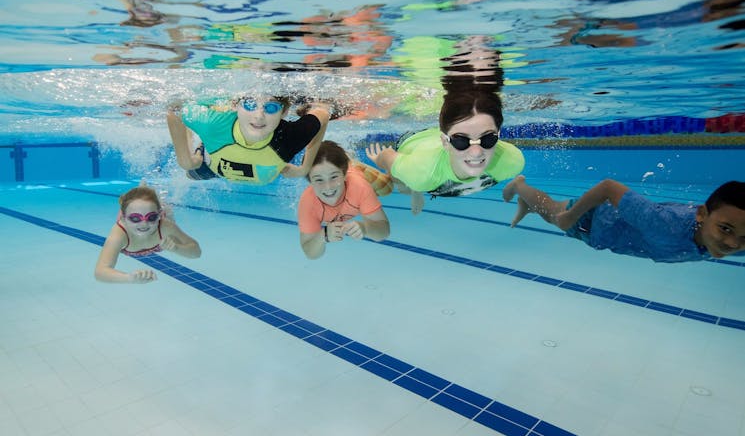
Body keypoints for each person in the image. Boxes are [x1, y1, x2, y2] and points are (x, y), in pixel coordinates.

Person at [502, 176, 745, 263]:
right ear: (702, 215)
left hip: (605, 224)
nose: (733, 244)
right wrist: (570, 217)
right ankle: (519, 186)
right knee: (552, 212)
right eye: (725, 229)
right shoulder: (661, 222)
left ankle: (526, 203)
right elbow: (609, 187)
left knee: (549, 213)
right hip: (591, 219)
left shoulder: (737, 240)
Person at [366, 82, 525, 214]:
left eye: (488, 138)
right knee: (404, 184)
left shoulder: (511, 161)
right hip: (413, 139)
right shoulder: (421, 172)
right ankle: (414, 190)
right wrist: (380, 160)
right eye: (461, 141)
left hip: (442, 133)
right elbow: (387, 156)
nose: (476, 153)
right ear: (445, 142)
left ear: (498, 135)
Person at [167, 94, 329, 184]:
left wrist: (304, 168)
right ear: (236, 106)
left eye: (271, 107)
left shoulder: (289, 137)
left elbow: (322, 114)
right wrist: (185, 161)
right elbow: (175, 111)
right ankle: (197, 138)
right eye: (250, 104)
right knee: (189, 174)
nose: (259, 116)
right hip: (211, 165)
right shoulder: (213, 124)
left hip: (250, 170)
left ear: (284, 112)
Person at [298, 140, 391, 259]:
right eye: (319, 180)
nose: (328, 187)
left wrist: (365, 228)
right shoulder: (308, 202)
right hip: (345, 171)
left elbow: (384, 232)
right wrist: (323, 235)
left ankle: (351, 160)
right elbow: (311, 254)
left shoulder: (359, 187)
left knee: (387, 187)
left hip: (358, 174)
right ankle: (344, 162)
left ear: (344, 175)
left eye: (334, 177)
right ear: (310, 181)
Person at [95, 184, 202, 283]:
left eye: (151, 217)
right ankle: (143, 187)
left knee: (167, 211)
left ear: (158, 215)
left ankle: (155, 199)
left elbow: (197, 252)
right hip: (131, 220)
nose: (144, 224)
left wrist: (176, 248)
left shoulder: (165, 226)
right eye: (135, 218)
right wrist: (129, 278)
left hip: (161, 216)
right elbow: (100, 272)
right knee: (139, 204)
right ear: (123, 218)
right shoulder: (120, 233)